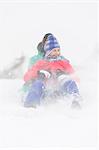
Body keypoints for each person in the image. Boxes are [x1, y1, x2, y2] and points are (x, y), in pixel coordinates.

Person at [23, 34, 80, 108]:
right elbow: (26, 77)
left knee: (68, 82)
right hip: (45, 91)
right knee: (38, 83)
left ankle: (76, 100)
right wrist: (38, 73)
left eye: (58, 50)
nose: (57, 52)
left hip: (59, 90)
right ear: (48, 52)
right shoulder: (41, 63)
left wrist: (65, 75)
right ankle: (30, 104)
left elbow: (76, 78)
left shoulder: (63, 63)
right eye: (54, 51)